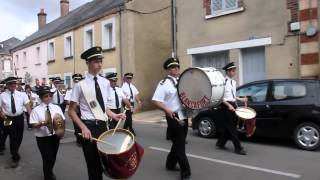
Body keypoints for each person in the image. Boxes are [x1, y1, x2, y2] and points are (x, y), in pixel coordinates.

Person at [68, 46, 126, 180]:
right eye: (95, 61)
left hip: (103, 127)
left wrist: (114, 115)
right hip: (89, 129)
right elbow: (71, 112)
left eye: (101, 61)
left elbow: (103, 107)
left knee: (107, 163)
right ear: (87, 63)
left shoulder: (105, 82)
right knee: (93, 166)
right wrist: (83, 128)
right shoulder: (80, 85)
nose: (99, 64)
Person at [152, 57, 191, 180]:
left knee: (178, 142)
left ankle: (170, 164)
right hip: (173, 116)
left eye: (178, 66)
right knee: (180, 145)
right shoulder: (164, 84)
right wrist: (167, 110)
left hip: (183, 114)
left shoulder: (182, 81)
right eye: (173, 67)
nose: (177, 69)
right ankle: (185, 171)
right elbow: (156, 100)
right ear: (168, 70)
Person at [30, 86, 65, 180]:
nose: (49, 98)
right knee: (47, 158)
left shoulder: (57, 107)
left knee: (53, 157)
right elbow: (33, 125)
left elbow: (61, 121)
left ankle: (49, 171)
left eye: (50, 95)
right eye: (46, 96)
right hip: (43, 138)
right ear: (41, 98)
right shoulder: (36, 110)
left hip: (55, 136)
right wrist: (42, 123)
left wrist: (61, 132)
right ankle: (48, 176)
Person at [216, 62, 248, 155]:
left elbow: (232, 95)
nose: (234, 72)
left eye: (234, 70)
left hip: (232, 105)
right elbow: (220, 97)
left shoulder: (233, 82)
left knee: (230, 127)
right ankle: (238, 148)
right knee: (232, 128)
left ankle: (220, 143)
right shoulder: (223, 82)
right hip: (226, 106)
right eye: (232, 71)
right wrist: (228, 105)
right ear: (228, 71)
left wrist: (240, 99)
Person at [0, 77, 31, 168]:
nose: (13, 85)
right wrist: (2, 115)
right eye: (10, 84)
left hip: (19, 118)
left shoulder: (22, 94)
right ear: (7, 85)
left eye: (14, 83)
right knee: (11, 135)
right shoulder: (2, 95)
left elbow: (27, 106)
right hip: (7, 118)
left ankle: (13, 149)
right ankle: (15, 156)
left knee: (19, 136)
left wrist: (32, 117)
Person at [64, 74, 83, 146]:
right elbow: (66, 100)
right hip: (75, 111)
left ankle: (84, 139)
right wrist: (75, 103)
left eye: (79, 79)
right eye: (76, 80)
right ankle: (79, 141)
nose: (77, 81)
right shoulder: (70, 91)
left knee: (84, 125)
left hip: (84, 111)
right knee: (77, 126)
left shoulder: (84, 90)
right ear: (73, 80)